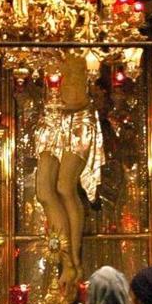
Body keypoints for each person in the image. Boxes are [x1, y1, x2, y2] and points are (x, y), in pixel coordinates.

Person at [33, 51, 104, 286]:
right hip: (52, 116)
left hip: (78, 117)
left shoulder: (84, 38)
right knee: (44, 191)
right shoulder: (41, 38)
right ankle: (67, 261)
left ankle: (72, 260)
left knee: (65, 187)